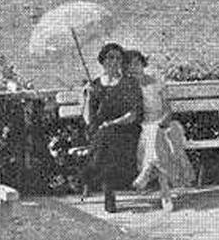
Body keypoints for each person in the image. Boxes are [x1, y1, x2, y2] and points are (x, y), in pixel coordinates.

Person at [125, 49, 195, 212]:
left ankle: (147, 170)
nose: (134, 68)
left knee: (157, 134)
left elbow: (168, 110)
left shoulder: (156, 81)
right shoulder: (128, 88)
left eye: (137, 64)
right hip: (145, 128)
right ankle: (165, 195)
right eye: (130, 65)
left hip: (168, 125)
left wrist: (162, 122)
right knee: (156, 138)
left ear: (143, 64)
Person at [83, 42, 143, 212]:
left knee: (107, 136)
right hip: (100, 132)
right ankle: (108, 190)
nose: (114, 61)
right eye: (110, 57)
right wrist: (88, 97)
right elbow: (88, 119)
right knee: (104, 137)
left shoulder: (129, 83)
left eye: (118, 58)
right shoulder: (94, 85)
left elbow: (133, 115)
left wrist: (112, 123)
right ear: (102, 60)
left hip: (125, 129)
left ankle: (94, 175)